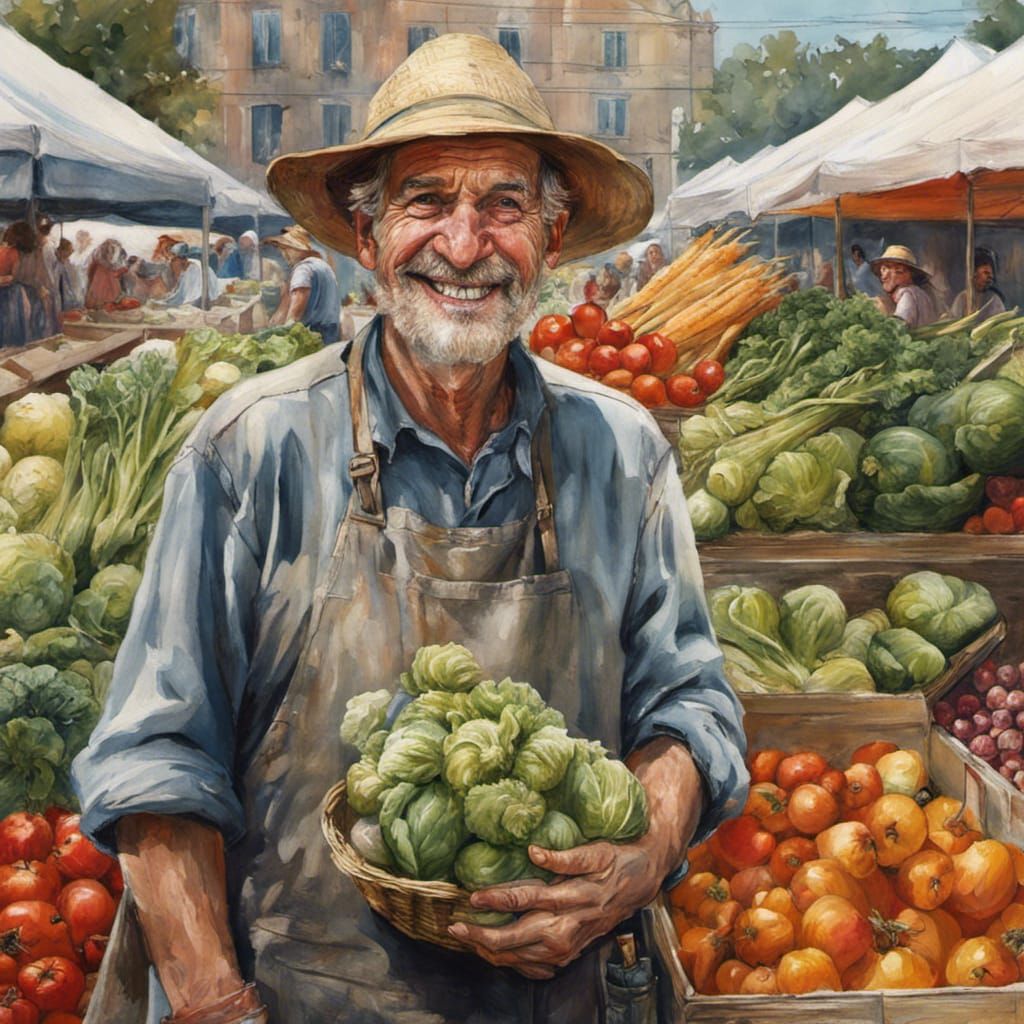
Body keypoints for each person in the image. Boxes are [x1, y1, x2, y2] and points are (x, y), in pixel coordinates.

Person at [73, 33, 747, 1024]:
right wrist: (214, 1002)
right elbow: (157, 762)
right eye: (428, 199)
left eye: (504, 205)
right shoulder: (250, 448)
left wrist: (643, 853)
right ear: (366, 233)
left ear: (551, 240)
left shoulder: (622, 450)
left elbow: (689, 704)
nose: (464, 246)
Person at [264, 225, 341, 342]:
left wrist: (281, 336)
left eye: (287, 249)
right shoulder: (323, 266)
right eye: (281, 250)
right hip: (330, 334)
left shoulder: (303, 270)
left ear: (300, 248)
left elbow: (295, 315)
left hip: (312, 336)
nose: (283, 254)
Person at [870, 244, 939, 328]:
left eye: (897, 271)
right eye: (883, 269)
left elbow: (899, 326)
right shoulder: (919, 293)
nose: (884, 277)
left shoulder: (907, 293)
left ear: (909, 275)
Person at [949, 247, 1007, 323]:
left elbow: (1001, 323)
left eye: (991, 274)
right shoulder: (962, 298)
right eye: (986, 273)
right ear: (974, 274)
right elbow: (953, 322)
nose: (990, 277)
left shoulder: (994, 300)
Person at [0, 222, 35, 347]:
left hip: (7, 293)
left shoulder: (3, 250)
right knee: (13, 329)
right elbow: (15, 278)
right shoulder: (13, 253)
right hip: (10, 295)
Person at [163, 241, 222, 307]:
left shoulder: (194, 269)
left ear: (181, 258)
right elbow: (180, 290)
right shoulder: (187, 269)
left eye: (174, 259)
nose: (172, 262)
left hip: (205, 301)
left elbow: (193, 296)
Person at [85, 239, 130, 309]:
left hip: (110, 301)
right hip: (102, 301)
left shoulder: (109, 267)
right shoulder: (100, 268)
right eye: (111, 253)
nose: (113, 256)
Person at [54, 238, 81, 311]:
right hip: (61, 301)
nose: (72, 251)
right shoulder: (58, 266)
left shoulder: (66, 264)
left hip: (68, 300)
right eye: (69, 249)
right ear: (62, 251)